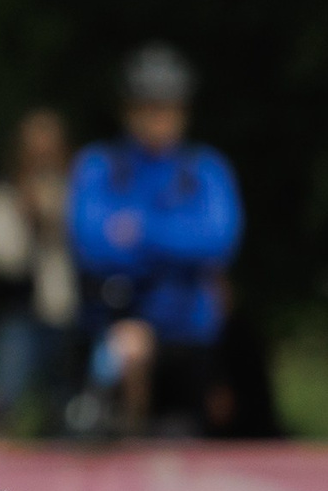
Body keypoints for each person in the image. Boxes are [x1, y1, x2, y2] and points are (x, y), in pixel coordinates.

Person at [66, 44, 243, 437]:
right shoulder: (98, 166)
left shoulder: (206, 169)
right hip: (110, 327)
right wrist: (176, 241)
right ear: (128, 110)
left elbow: (218, 241)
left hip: (186, 340)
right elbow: (91, 244)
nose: (160, 118)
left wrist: (140, 230)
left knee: (183, 452)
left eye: (169, 107)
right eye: (149, 107)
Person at [0, 108, 76, 426]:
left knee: (66, 409)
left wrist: (55, 222)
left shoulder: (79, 193)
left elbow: (90, 250)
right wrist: (24, 221)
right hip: (17, 313)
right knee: (1, 404)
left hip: (68, 314)